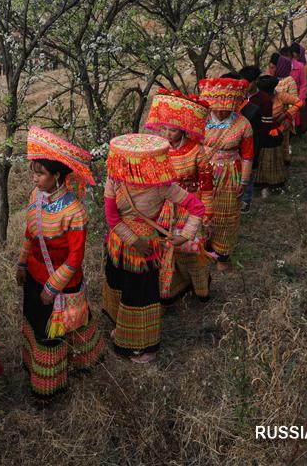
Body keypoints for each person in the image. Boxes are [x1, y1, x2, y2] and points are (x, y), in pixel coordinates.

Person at [16, 127, 103, 401]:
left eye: (40, 173)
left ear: (57, 176)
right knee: (36, 323)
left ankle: (52, 383)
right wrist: (21, 263)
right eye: (34, 171)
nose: (35, 178)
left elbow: (75, 259)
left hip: (60, 282)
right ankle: (36, 368)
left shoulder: (75, 212)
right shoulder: (35, 197)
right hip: (34, 273)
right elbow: (29, 232)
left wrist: (52, 287)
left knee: (60, 329)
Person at [102, 133, 204, 363]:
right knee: (122, 288)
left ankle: (145, 347)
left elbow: (197, 207)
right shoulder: (114, 179)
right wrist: (134, 240)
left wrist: (184, 236)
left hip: (142, 251)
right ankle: (125, 332)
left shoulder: (161, 186)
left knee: (141, 296)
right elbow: (110, 217)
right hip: (122, 246)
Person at [144, 89, 214, 301]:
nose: (167, 134)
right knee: (167, 248)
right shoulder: (158, 150)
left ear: (183, 131)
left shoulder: (196, 151)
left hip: (190, 203)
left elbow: (207, 183)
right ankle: (173, 288)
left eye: (172, 130)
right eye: (164, 128)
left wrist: (207, 212)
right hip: (165, 206)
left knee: (189, 248)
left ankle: (201, 287)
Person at [198, 77, 254, 271]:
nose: (220, 111)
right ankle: (202, 249)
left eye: (225, 107)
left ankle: (222, 254)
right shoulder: (199, 120)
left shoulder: (243, 124)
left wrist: (244, 181)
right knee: (201, 211)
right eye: (216, 107)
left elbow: (247, 155)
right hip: (202, 172)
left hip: (230, 173)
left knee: (227, 213)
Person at [254, 73, 298, 192]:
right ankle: (261, 180)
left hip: (278, 130)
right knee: (262, 156)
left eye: (269, 93)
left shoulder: (280, 95)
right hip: (261, 132)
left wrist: (287, 115)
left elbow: (299, 102)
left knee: (275, 155)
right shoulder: (255, 98)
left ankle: (274, 180)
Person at [225, 69, 261, 213]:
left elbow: (254, 143)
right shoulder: (212, 115)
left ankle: (244, 203)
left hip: (240, 160)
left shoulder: (250, 112)